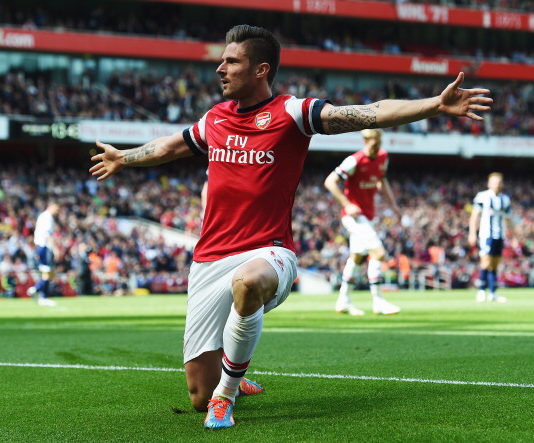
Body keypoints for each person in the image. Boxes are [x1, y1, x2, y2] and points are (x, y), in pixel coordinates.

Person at [89, 24, 492, 429]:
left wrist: (434, 105)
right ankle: (229, 376)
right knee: (197, 395)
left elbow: (367, 112)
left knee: (248, 285)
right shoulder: (215, 119)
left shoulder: (292, 113)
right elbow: (171, 145)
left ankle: (226, 394)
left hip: (269, 251)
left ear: (260, 69)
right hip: (209, 259)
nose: (220, 69)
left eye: (231, 61)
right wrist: (124, 158)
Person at [324, 128, 402, 316]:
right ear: (365, 141)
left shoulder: (383, 157)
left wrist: (393, 204)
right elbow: (330, 182)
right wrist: (347, 204)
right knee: (379, 253)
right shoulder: (355, 160)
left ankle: (343, 301)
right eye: (373, 144)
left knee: (357, 257)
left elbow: (382, 180)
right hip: (354, 216)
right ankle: (378, 301)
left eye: (379, 143)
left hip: (368, 215)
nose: (376, 147)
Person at [468, 172, 513, 303]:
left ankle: (493, 292)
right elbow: (474, 216)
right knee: (486, 262)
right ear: (489, 184)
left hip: (500, 235)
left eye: (499, 182)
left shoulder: (505, 199)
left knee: (495, 264)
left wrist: (514, 236)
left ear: (502, 184)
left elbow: (509, 219)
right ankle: (482, 290)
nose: (497, 185)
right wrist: (472, 233)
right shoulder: (482, 196)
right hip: (486, 235)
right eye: (494, 182)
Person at [27, 202, 60, 307]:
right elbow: (47, 234)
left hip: (41, 246)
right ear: (50, 206)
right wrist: (55, 249)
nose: (57, 212)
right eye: (56, 209)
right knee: (47, 272)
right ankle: (38, 291)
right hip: (43, 247)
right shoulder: (47, 217)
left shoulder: (43, 216)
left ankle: (39, 292)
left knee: (49, 273)